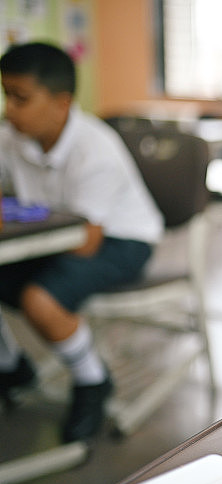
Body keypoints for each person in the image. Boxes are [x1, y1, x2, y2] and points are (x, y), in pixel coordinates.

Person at [0, 42, 164, 442]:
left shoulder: (95, 150)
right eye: (6, 95)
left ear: (61, 103)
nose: (8, 110)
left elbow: (85, 244)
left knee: (40, 299)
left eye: (20, 98)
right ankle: (11, 366)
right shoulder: (12, 137)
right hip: (56, 238)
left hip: (121, 240)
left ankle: (92, 381)